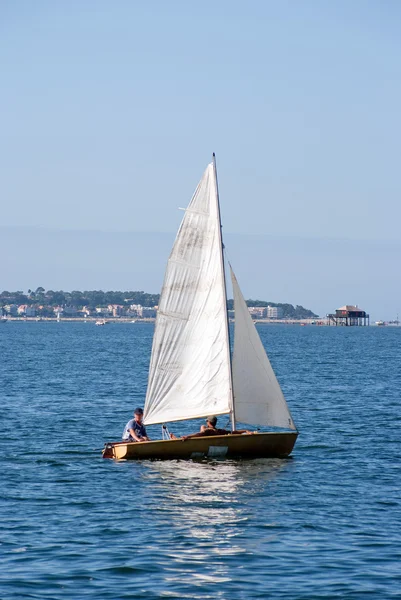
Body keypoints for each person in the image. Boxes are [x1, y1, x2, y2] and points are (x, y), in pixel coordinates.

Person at [181, 416, 252, 440]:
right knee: (203, 427)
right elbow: (233, 432)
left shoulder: (208, 431)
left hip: (203, 441)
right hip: (212, 439)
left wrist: (188, 436)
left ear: (208, 422)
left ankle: (177, 439)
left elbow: (198, 434)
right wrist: (246, 431)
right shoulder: (220, 431)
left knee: (202, 426)